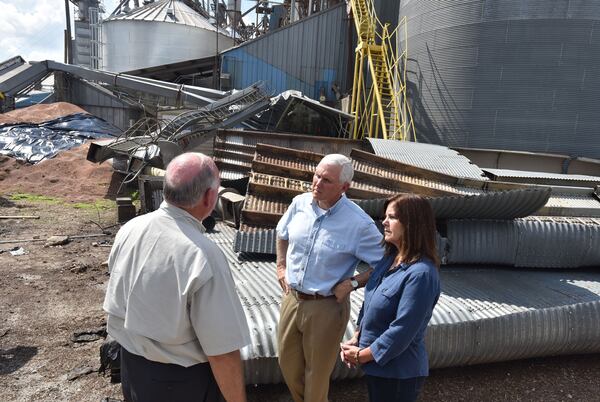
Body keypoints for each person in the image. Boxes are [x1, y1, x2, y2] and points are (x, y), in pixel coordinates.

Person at [103, 152, 251, 402]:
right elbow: (222, 352)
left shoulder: (131, 229)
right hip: (180, 383)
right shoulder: (203, 255)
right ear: (209, 197)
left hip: (132, 368)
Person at [276, 153, 384, 402]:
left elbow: (386, 263)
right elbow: (282, 233)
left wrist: (353, 283)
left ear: (344, 187)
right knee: (288, 365)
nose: (317, 183)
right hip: (292, 299)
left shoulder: (359, 224)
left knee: (317, 374)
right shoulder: (300, 204)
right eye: (316, 175)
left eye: (326, 180)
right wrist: (281, 266)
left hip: (325, 306)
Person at [340, 194, 441, 402]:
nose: (384, 222)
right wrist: (357, 338)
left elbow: (402, 330)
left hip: (399, 373)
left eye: (392, 217)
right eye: (385, 216)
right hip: (378, 368)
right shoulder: (389, 260)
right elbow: (371, 302)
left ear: (412, 224)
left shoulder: (421, 274)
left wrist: (362, 355)